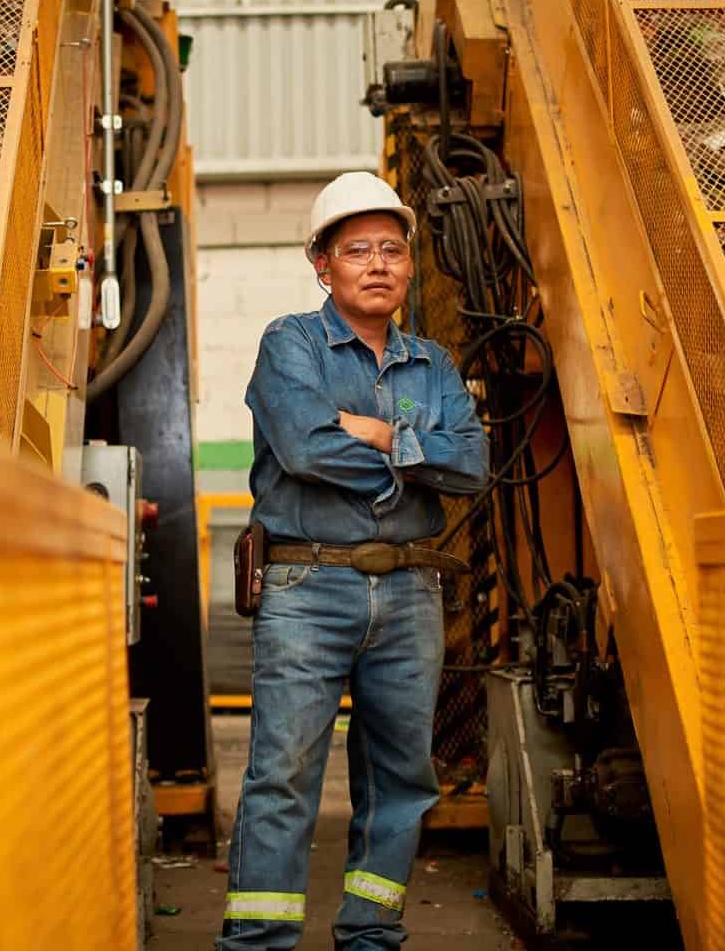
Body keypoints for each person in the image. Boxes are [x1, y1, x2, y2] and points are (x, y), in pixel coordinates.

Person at [217, 172, 489, 951]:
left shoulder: (433, 364)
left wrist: (377, 433)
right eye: (358, 250)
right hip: (308, 586)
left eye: (392, 251)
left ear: (409, 267)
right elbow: (305, 448)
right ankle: (257, 943)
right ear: (323, 265)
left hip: (409, 590)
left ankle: (372, 936)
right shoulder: (291, 344)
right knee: (284, 775)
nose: (377, 264)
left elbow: (472, 466)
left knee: (402, 777)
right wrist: (419, 458)